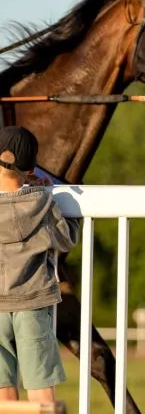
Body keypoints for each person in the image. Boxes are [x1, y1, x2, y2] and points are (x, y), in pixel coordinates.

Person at [0, 126, 79, 402]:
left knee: (2, 388)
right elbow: (66, 239)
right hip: (32, 304)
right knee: (41, 385)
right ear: (31, 169)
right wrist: (56, 201)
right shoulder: (42, 203)